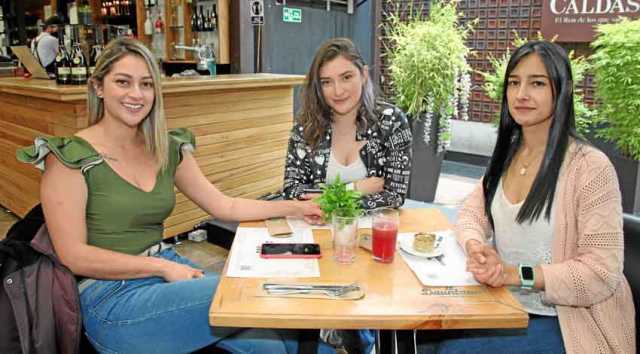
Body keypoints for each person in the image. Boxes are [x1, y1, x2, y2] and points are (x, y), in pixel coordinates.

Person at [17, 37, 335, 354]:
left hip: (165, 271)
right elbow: (74, 255)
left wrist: (295, 206)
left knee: (276, 342)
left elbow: (224, 205)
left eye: (146, 84)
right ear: (99, 87)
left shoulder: (166, 147)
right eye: (123, 82)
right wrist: (160, 268)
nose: (136, 95)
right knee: (251, 292)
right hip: (109, 297)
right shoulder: (69, 157)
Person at [418, 41, 635, 353]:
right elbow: (470, 215)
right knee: (420, 338)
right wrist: (476, 247)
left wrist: (515, 274)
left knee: (453, 351)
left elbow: (601, 274)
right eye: (514, 82)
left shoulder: (590, 168)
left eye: (537, 83)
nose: (521, 94)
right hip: (506, 304)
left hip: (569, 321)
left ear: (563, 90)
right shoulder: (509, 155)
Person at [282, 37, 412, 212]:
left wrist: (326, 199)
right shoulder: (305, 127)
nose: (338, 91)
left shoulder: (391, 121)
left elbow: (395, 195)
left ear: (364, 75)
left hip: (371, 233)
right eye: (326, 82)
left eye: (346, 77)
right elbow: (292, 191)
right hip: (317, 231)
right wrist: (354, 189)